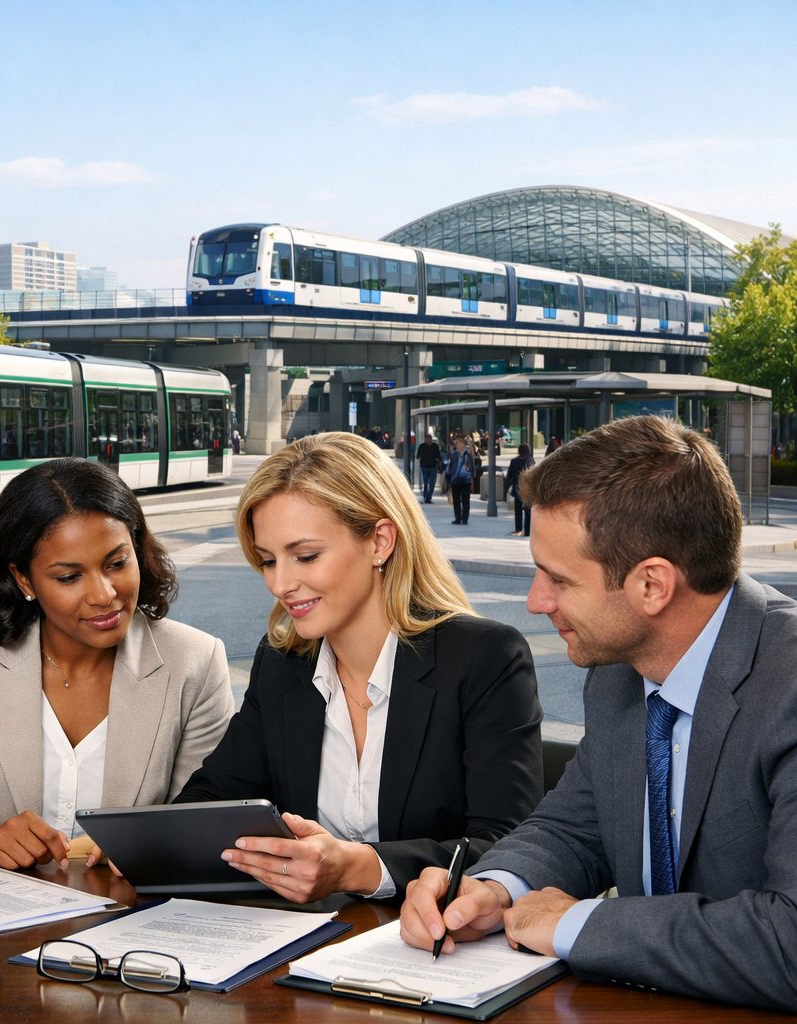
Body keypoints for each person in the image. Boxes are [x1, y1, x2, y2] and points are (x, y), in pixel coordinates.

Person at [399, 415, 797, 1011]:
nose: (535, 601)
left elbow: (790, 945)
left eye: (558, 579)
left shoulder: (788, 686)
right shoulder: (618, 670)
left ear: (652, 586)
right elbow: (574, 827)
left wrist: (576, 925)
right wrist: (494, 889)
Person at [176, 432, 542, 903]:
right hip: (305, 945)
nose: (280, 584)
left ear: (380, 542)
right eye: (268, 560)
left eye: (306, 555)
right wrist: (141, 840)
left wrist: (363, 867)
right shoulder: (282, 663)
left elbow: (510, 847)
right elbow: (212, 799)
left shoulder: (484, 658)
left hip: (436, 951)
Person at [0, 458, 235, 868]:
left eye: (117, 564)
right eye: (69, 577)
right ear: (24, 579)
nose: (104, 594)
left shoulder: (196, 661)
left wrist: (155, 844)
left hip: (129, 916)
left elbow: (207, 824)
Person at [504, 443, 535, 537]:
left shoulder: (514, 461)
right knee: (528, 511)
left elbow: (509, 476)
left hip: (517, 489)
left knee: (518, 511)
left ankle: (518, 529)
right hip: (527, 490)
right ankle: (528, 531)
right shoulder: (531, 461)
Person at [445, 434, 474, 525]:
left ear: (462, 444)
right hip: (455, 480)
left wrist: (472, 477)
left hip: (466, 480)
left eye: (458, 443)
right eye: (456, 443)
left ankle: (465, 519)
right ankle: (457, 518)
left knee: (466, 500)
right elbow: (449, 467)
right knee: (456, 501)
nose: (456, 445)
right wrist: (449, 478)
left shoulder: (468, 454)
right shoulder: (454, 455)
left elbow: (472, 466)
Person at [416, 430, 442, 504]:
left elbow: (439, 456)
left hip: (433, 467)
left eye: (429, 439)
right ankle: (425, 497)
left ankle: (428, 497)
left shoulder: (435, 446)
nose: (428, 440)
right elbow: (418, 456)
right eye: (426, 439)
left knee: (432, 483)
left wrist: (437, 461)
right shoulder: (422, 446)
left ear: (431, 439)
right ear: (425, 439)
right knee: (425, 483)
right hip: (424, 467)